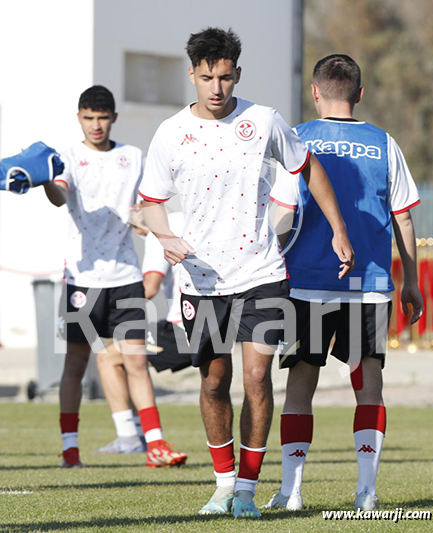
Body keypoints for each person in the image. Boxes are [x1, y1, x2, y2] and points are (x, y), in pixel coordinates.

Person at [138, 29, 354, 518]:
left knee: (257, 377)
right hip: (201, 279)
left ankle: (246, 490)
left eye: (226, 77)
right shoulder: (170, 133)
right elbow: (151, 203)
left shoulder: (263, 121)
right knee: (215, 381)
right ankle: (222, 483)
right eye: (207, 77)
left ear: (238, 74)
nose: (217, 88)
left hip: (260, 270)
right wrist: (165, 236)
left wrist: (339, 228)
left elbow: (308, 167)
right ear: (191, 74)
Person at [265, 54, 424, 512]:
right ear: (359, 93)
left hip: (307, 283)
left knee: (300, 385)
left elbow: (283, 213)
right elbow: (405, 219)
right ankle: (366, 492)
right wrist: (410, 280)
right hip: (370, 283)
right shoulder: (384, 143)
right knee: (369, 384)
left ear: (315, 92)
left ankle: (291, 492)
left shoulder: (298, 139)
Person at [43, 85, 187, 468]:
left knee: (136, 361)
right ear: (79, 118)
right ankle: (70, 450)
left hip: (125, 276)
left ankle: (155, 445)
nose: (96, 125)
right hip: (81, 277)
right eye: (88, 118)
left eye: (102, 117)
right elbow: (59, 195)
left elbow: (142, 212)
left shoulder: (132, 157)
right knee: (75, 364)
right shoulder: (68, 158)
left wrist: (145, 224)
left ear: (113, 119)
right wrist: (44, 181)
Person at [95, 210, 193, 454]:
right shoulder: (188, 218)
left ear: (140, 206)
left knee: (107, 357)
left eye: (130, 222)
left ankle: (130, 437)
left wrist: (106, 307)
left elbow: (149, 288)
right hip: (214, 320)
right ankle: (137, 433)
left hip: (184, 329)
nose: (135, 232)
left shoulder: (159, 231)